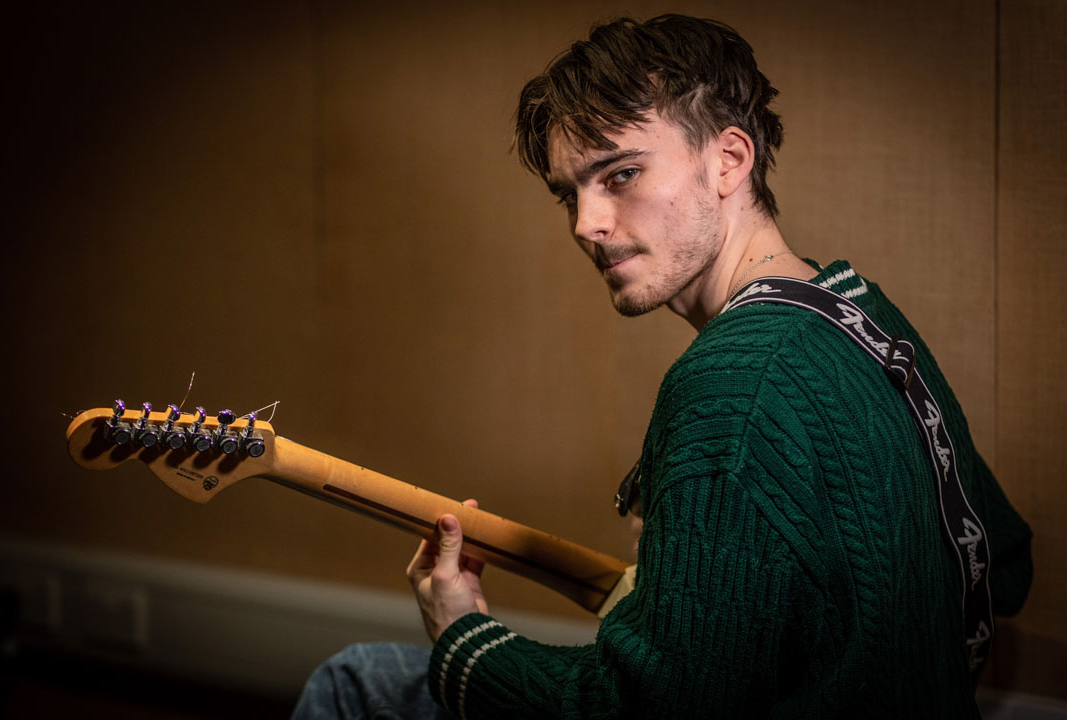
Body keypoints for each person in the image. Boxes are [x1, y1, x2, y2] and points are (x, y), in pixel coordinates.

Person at [293, 15, 1032, 719]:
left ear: (729, 161)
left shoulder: (732, 384)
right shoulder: (863, 314)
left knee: (360, 683)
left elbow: (645, 712)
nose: (586, 224)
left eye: (619, 175)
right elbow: (1002, 561)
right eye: (569, 194)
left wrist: (465, 638)